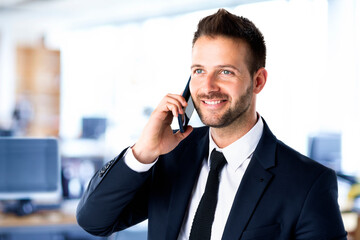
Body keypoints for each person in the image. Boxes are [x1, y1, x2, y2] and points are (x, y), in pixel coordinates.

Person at [76, 9, 347, 240]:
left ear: (258, 81)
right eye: (199, 71)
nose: (208, 87)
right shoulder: (170, 157)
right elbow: (94, 221)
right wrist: (143, 153)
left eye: (225, 72)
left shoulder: (309, 183)